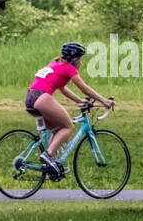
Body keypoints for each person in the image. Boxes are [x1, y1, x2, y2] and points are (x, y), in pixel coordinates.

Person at [25, 42, 115, 180]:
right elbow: (85, 88)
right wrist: (104, 101)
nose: (80, 62)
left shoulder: (55, 64)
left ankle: (52, 166)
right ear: (75, 59)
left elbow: (62, 88)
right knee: (67, 127)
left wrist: (79, 101)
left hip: (30, 98)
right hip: (41, 97)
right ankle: (48, 156)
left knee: (57, 130)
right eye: (80, 58)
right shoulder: (69, 68)